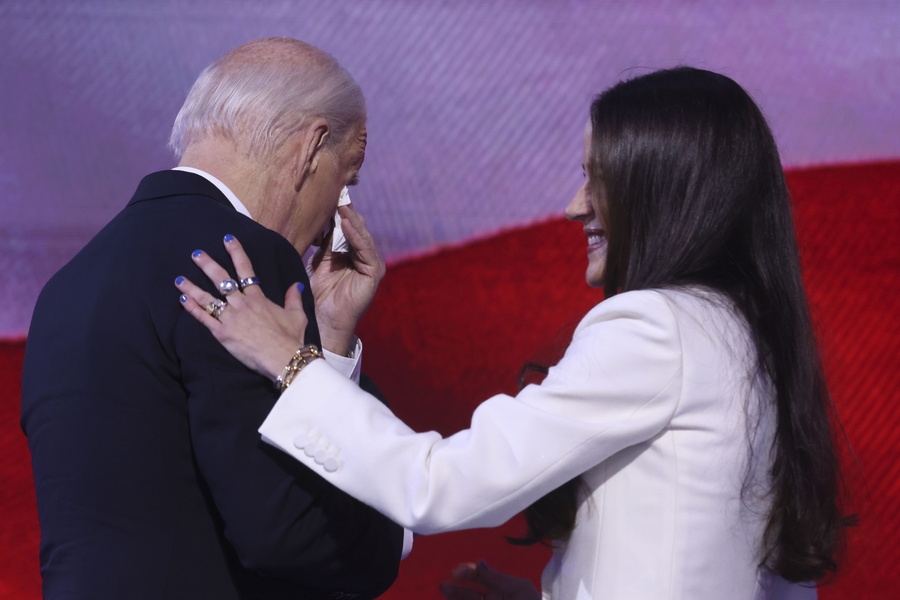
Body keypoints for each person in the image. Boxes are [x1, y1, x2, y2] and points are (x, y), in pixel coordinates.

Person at [174, 67, 851, 599]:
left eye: (598, 179)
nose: (573, 206)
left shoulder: (656, 329)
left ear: (664, 189)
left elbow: (439, 485)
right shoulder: (742, 333)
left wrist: (294, 363)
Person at [21, 37, 405, 600]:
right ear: (312, 147)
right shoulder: (243, 257)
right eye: (347, 180)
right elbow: (284, 531)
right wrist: (394, 525)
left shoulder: (67, 285)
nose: (340, 211)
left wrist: (330, 338)